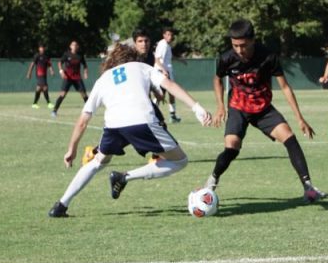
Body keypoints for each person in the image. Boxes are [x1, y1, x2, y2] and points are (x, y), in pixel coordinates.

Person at [49, 43, 211, 218]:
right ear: (133, 57)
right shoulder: (141, 66)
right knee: (180, 161)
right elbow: (169, 85)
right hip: (142, 121)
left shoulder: (103, 79)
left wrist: (72, 149)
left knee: (98, 161)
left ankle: (61, 205)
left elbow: (83, 121)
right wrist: (197, 108)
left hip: (113, 126)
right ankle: (124, 177)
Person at [205, 19, 324, 203]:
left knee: (290, 138)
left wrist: (300, 118)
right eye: (235, 45)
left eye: (243, 45)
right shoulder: (226, 58)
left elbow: (285, 87)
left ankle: (309, 188)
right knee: (232, 148)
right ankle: (211, 181)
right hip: (238, 108)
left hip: (263, 109)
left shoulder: (268, 57)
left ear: (253, 40)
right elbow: (217, 79)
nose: (239, 50)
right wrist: (220, 106)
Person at [51, 40, 88, 118]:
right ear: (70, 46)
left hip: (77, 77)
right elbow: (60, 63)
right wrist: (61, 71)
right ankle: (54, 111)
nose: (74, 46)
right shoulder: (67, 54)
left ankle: (90, 110)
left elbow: (85, 65)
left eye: (76, 45)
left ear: (77, 47)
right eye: (73, 45)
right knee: (62, 94)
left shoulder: (80, 55)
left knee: (83, 94)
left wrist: (85, 73)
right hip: (68, 77)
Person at [154, 27, 182, 123]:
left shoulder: (167, 45)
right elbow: (157, 59)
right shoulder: (163, 45)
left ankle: (172, 116)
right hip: (162, 72)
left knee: (171, 94)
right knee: (160, 95)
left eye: (171, 35)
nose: (170, 37)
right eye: (168, 34)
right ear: (164, 35)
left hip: (167, 71)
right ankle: (152, 113)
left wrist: (180, 60)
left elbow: (169, 57)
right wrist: (164, 71)